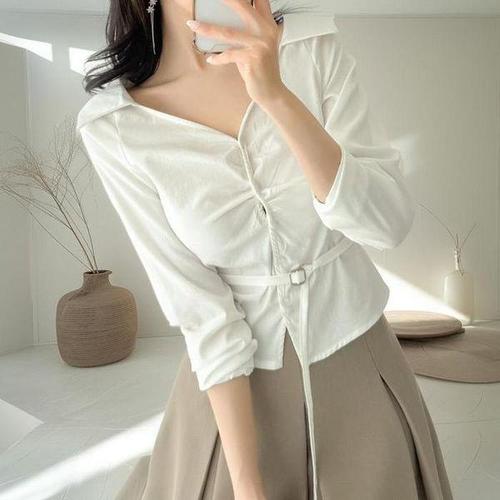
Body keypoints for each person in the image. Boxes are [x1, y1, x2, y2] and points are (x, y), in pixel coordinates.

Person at [76, 1, 454, 499]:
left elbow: (387, 224)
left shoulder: (312, 50)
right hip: (232, 391)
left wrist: (276, 95)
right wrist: (248, 485)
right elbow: (198, 308)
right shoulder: (117, 126)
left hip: (357, 352)